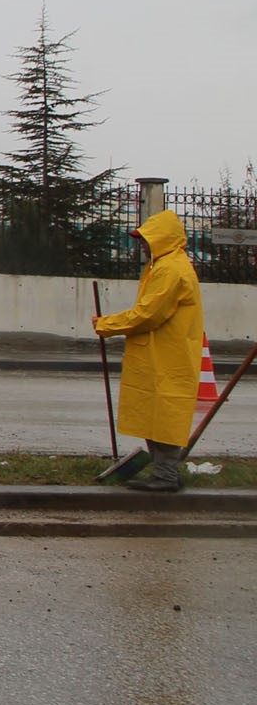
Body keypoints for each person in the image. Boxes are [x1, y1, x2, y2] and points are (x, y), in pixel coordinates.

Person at [93, 208, 206, 492]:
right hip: (162, 353)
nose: (142, 246)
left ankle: (165, 475)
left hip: (167, 355)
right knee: (156, 415)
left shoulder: (170, 270)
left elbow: (148, 314)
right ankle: (164, 471)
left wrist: (108, 324)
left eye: (146, 240)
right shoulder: (164, 264)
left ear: (163, 239)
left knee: (165, 415)